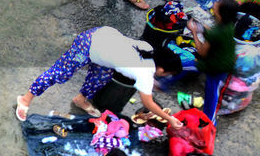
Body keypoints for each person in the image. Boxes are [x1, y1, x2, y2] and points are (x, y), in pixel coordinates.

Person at [15, 26, 184, 124]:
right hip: (87, 45)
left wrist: (151, 83)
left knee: (102, 76)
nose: (164, 76)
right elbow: (149, 102)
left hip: (102, 37)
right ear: (161, 70)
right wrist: (169, 119)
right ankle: (25, 99)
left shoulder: (149, 49)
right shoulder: (145, 74)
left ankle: (80, 99)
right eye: (166, 74)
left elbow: (139, 66)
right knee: (61, 73)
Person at [190, 0, 238, 122]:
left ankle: (210, 121)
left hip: (215, 67)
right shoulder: (229, 26)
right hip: (226, 61)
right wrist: (204, 28)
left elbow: (201, 52)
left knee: (211, 92)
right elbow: (216, 34)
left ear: (220, 13)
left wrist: (194, 32)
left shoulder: (215, 33)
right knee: (212, 88)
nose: (215, 3)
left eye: (217, 4)